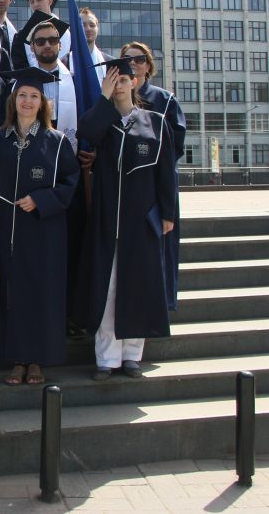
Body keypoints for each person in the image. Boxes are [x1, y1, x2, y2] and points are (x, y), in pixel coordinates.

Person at [0, 68, 80, 385]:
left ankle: (37, 360)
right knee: (10, 295)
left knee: (40, 295)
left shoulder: (56, 141)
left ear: (42, 103)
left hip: (43, 232)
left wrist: (41, 200)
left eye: (34, 96)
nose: (27, 101)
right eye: (22, 95)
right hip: (5, 231)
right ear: (13, 100)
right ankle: (16, 359)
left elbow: (70, 182)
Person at [78, 58, 176, 381]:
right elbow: (86, 132)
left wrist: (167, 213)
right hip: (107, 220)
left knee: (138, 286)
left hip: (142, 220)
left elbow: (166, 172)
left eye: (123, 80)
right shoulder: (104, 121)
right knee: (108, 290)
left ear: (134, 82)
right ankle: (106, 358)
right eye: (112, 80)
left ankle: (132, 355)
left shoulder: (154, 122)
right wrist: (103, 98)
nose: (118, 85)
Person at [125, 42, 187, 311]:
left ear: (148, 66)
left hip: (156, 183)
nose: (133, 63)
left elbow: (176, 145)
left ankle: (163, 303)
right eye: (127, 60)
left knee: (162, 246)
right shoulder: (117, 99)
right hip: (128, 185)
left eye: (139, 59)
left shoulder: (164, 100)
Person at [7, 15, 78, 152]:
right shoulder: (17, 85)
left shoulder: (75, 82)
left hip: (65, 153)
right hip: (30, 151)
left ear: (60, 45)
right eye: (40, 41)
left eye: (52, 40)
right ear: (32, 47)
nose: (47, 45)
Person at [80, 7, 107, 81]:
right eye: (83, 25)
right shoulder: (66, 62)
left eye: (92, 25)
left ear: (97, 29)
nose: (88, 29)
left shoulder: (109, 63)